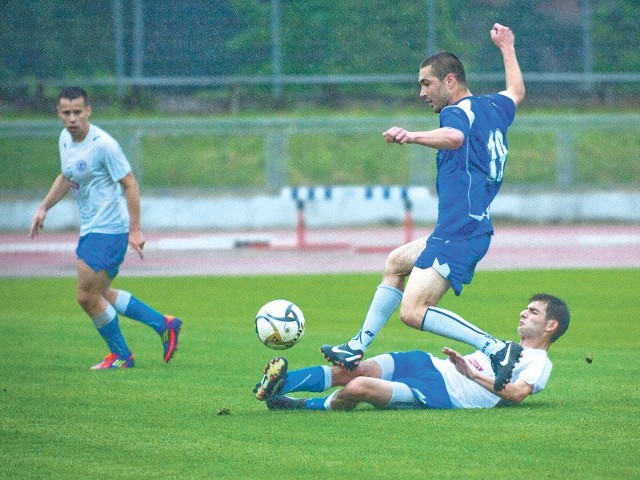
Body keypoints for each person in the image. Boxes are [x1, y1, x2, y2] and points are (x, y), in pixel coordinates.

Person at [320, 23, 526, 390]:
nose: (421, 92)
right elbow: (516, 91)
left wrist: (412, 135)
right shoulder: (493, 107)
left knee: (413, 313)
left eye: (426, 83)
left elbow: (455, 136)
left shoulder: (456, 113)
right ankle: (356, 347)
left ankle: (495, 347)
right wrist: (506, 47)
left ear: (450, 81)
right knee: (395, 262)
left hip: (461, 232)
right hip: (461, 228)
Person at [29, 87, 183, 369]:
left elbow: (130, 183)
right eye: (67, 113)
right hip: (91, 228)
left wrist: (135, 230)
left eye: (78, 112)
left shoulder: (104, 145)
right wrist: (43, 207)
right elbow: (66, 176)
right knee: (100, 293)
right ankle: (164, 324)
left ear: (88, 111)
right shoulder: (65, 138)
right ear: (59, 114)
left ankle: (123, 355)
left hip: (109, 229)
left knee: (86, 296)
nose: (72, 118)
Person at [255, 294, 569, 411]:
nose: (523, 314)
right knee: (353, 370)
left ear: (551, 325)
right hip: (426, 362)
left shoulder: (540, 363)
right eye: (525, 309)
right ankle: (279, 384)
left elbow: (515, 394)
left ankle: (303, 405)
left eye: (533, 312)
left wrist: (470, 373)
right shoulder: (503, 346)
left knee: (358, 387)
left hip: (441, 392)